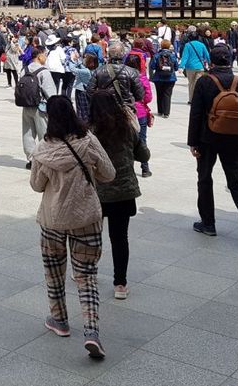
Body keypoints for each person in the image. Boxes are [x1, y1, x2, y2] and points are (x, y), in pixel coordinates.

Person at [30, 96, 115, 356]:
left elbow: (36, 185)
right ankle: (91, 331)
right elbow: (109, 173)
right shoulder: (88, 141)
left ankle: (59, 320)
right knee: (86, 275)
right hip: (86, 217)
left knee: (54, 272)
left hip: (53, 220)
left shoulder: (43, 150)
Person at [187, 45, 238, 243]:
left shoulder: (205, 81)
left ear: (211, 61)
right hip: (235, 138)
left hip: (207, 138)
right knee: (236, 181)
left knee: (205, 179)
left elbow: (196, 113)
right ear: (230, 60)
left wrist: (193, 142)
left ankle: (208, 223)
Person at [90, 92, 146, 301]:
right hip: (124, 191)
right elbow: (144, 155)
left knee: (93, 236)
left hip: (99, 192)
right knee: (120, 238)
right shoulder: (126, 129)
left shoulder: (90, 132)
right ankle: (120, 283)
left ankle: (88, 273)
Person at [20, 47, 57, 167]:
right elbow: (51, 92)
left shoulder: (24, 69)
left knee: (28, 133)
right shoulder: (43, 71)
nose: (46, 57)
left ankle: (30, 159)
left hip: (26, 105)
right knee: (44, 133)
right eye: (45, 55)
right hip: (41, 107)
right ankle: (44, 159)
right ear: (39, 56)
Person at [87, 41, 145, 113]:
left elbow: (89, 91)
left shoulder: (99, 71)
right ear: (123, 54)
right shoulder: (132, 72)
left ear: (109, 54)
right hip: (126, 110)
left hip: (105, 109)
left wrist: (99, 102)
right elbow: (140, 95)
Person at [125, 55, 153, 177]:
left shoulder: (121, 77)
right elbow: (148, 97)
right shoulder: (142, 78)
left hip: (125, 111)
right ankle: (145, 168)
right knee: (142, 139)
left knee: (126, 140)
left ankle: (128, 167)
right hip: (140, 111)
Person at [178, 31, 210, 103]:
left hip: (190, 67)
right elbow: (207, 55)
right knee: (197, 84)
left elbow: (185, 57)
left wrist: (181, 66)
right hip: (200, 67)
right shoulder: (202, 45)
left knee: (191, 83)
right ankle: (198, 99)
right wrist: (210, 63)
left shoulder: (188, 45)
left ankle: (191, 99)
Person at [149, 39, 178, 118]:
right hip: (170, 78)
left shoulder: (157, 55)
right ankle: (166, 112)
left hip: (158, 77)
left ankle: (160, 111)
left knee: (159, 93)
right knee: (167, 94)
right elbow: (176, 68)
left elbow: (152, 66)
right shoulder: (172, 55)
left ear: (161, 46)